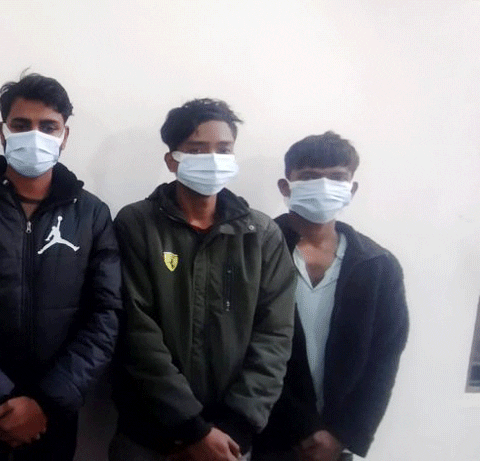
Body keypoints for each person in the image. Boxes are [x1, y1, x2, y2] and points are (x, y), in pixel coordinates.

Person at [0, 73, 121, 461]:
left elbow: (105, 314)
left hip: (55, 413)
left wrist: (47, 401)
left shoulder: (92, 215)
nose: (34, 136)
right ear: (3, 132)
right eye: (21, 125)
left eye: (48, 127)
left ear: (65, 135)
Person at [110, 98, 296, 461]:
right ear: (172, 160)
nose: (213, 160)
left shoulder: (261, 235)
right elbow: (136, 331)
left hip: (230, 439)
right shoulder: (137, 224)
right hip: (149, 433)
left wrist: (236, 426)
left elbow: (275, 335)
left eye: (223, 150)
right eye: (197, 150)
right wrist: (192, 429)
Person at [252, 132, 409, 461]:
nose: (324, 186)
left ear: (352, 188)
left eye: (337, 177)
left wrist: (343, 435)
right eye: (309, 177)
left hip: (336, 441)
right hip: (264, 433)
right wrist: (302, 428)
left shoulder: (378, 265)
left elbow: (384, 359)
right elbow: (241, 348)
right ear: (285, 186)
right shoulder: (252, 252)